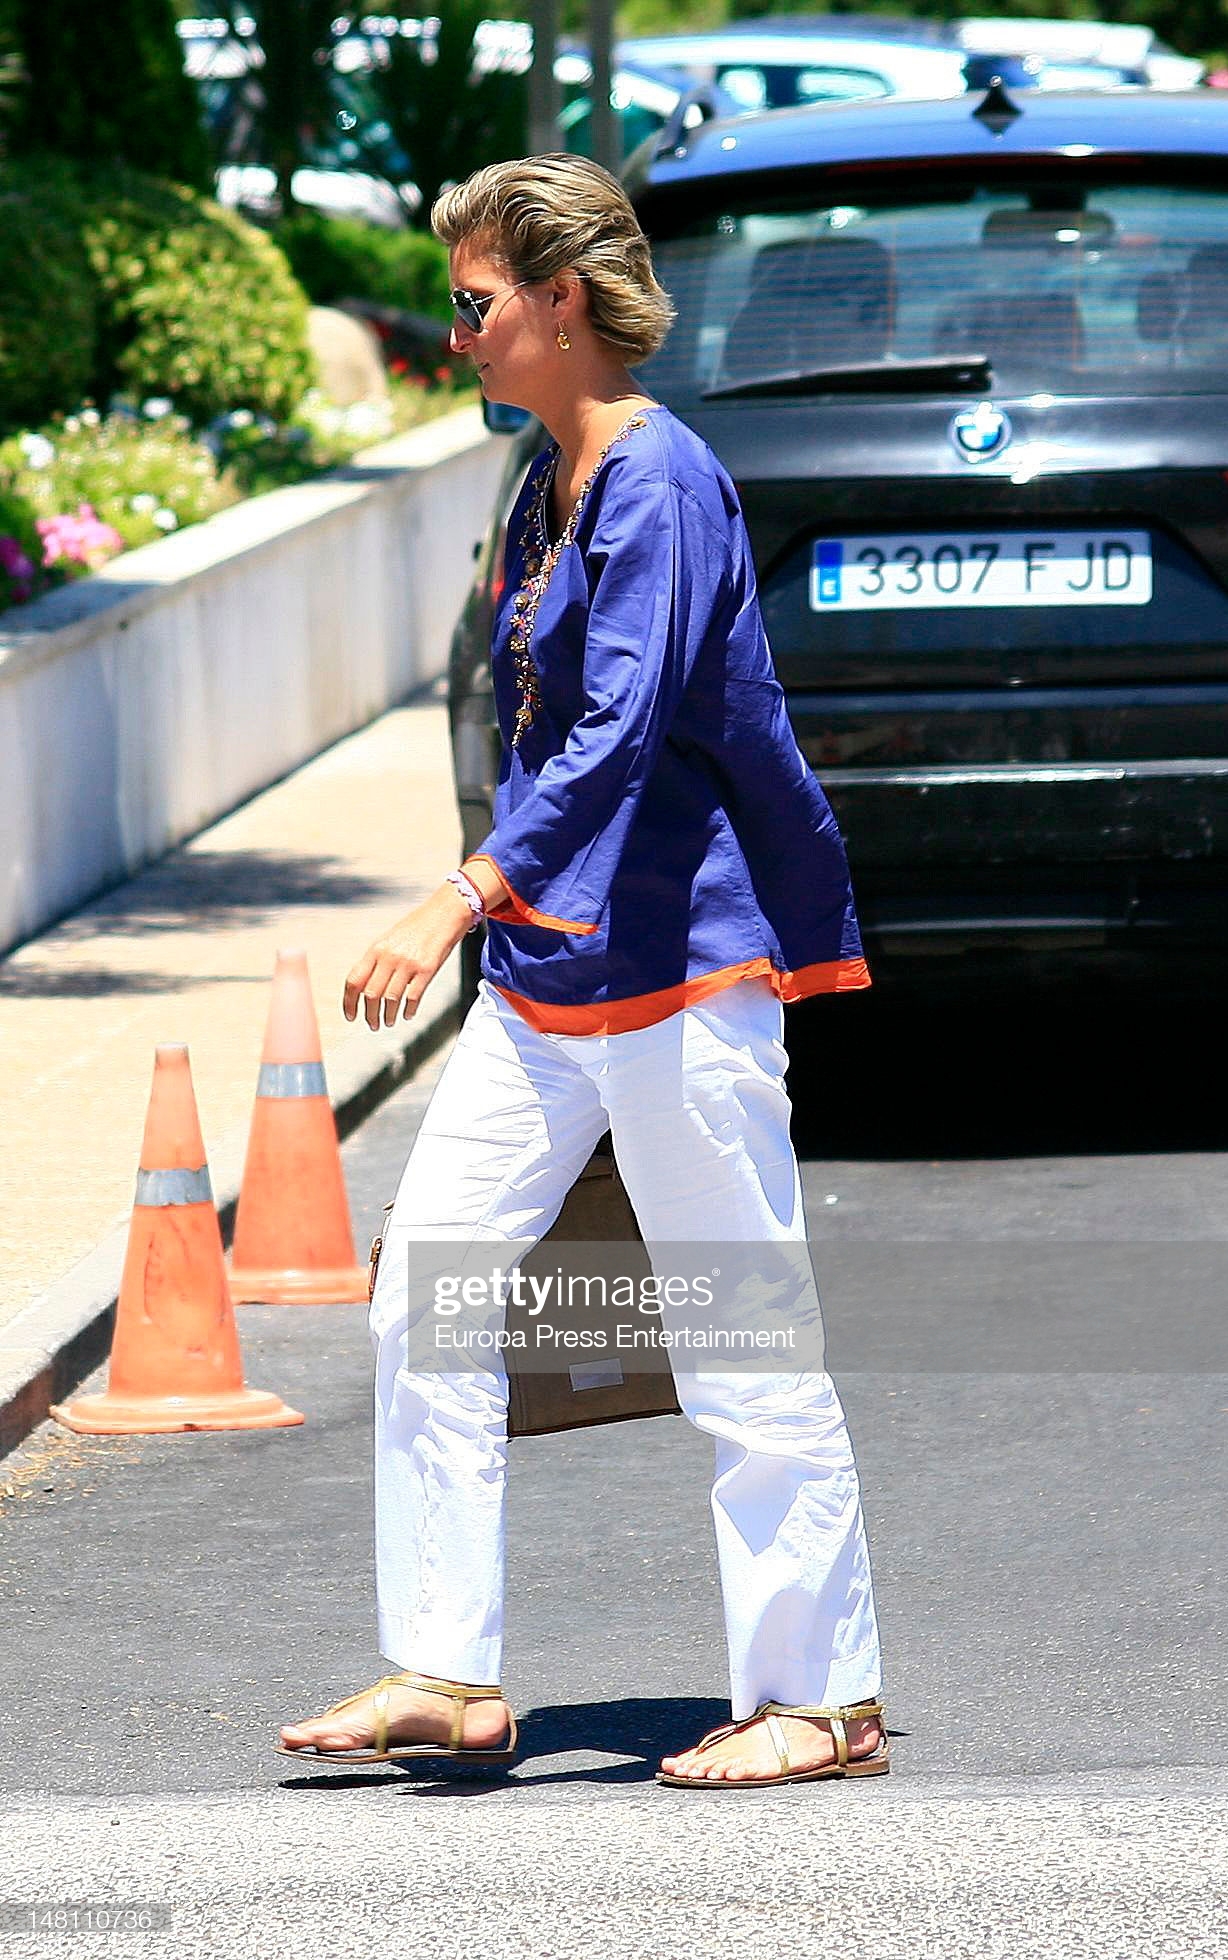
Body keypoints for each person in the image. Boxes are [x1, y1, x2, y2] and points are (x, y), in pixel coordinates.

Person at [277, 154, 888, 1788]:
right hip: (554, 979)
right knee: (429, 1289)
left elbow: (617, 733)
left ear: (562, 300)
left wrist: (458, 895)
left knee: (740, 1331)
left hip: (682, 966)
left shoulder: (661, 479)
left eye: (475, 302)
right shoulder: (552, 477)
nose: (457, 332)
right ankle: (447, 1669)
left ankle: (820, 1697)